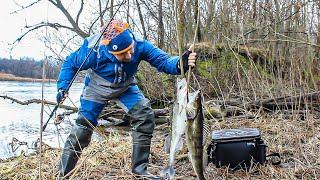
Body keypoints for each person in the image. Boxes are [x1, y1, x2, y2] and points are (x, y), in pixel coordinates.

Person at [56, 19, 197, 179]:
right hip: (96, 89)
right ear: (109, 50)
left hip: (125, 87)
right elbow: (69, 63)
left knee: (144, 115)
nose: (129, 55)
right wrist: (63, 87)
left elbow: (163, 61)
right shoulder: (93, 50)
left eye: (130, 50)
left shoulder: (139, 44)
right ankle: (63, 174)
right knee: (82, 128)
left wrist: (180, 63)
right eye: (123, 53)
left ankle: (140, 170)